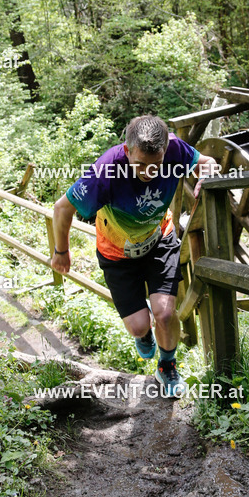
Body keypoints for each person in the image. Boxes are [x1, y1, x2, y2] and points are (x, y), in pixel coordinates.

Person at [51, 114, 219, 397]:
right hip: (117, 252)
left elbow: (206, 162)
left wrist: (210, 170)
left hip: (159, 239)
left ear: (166, 151)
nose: (149, 172)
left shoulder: (176, 149)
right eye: (140, 164)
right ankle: (144, 334)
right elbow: (61, 208)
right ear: (127, 151)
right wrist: (61, 252)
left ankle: (167, 366)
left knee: (165, 314)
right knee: (139, 326)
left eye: (156, 165)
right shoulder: (103, 173)